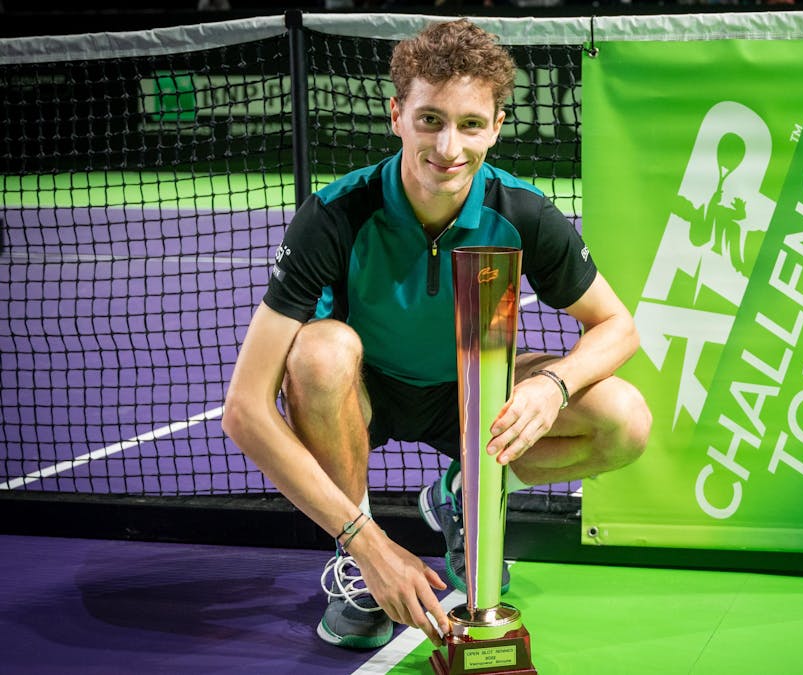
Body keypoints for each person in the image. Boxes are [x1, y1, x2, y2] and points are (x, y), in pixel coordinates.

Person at [221, 18, 650, 650]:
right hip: (362, 393)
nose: (449, 147)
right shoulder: (336, 214)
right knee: (318, 351)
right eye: (430, 120)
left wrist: (554, 385)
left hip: (476, 394)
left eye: (470, 124)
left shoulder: (523, 213)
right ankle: (357, 568)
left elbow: (617, 326)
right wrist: (368, 543)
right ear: (397, 115)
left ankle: (460, 494)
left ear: (497, 127)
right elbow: (244, 409)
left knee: (624, 420)